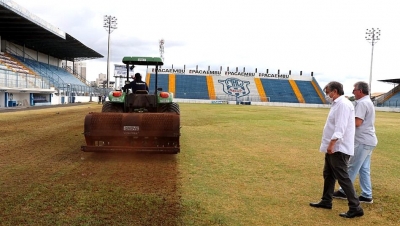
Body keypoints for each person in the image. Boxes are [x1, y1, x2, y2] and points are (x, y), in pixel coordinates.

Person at [310, 81, 364, 218]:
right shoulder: (337, 104)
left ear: (335, 91)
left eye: (328, 92)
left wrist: (332, 143)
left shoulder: (343, 105)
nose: (327, 95)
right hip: (334, 146)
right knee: (328, 173)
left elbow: (341, 127)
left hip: (339, 147)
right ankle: (326, 200)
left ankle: (355, 207)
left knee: (342, 177)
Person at [333, 81, 378, 204]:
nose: (353, 92)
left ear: (360, 91)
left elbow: (357, 123)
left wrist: (344, 123)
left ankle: (343, 191)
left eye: (354, 90)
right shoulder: (366, 102)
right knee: (364, 169)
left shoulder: (363, 103)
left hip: (362, 141)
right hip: (368, 140)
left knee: (352, 167)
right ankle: (367, 195)